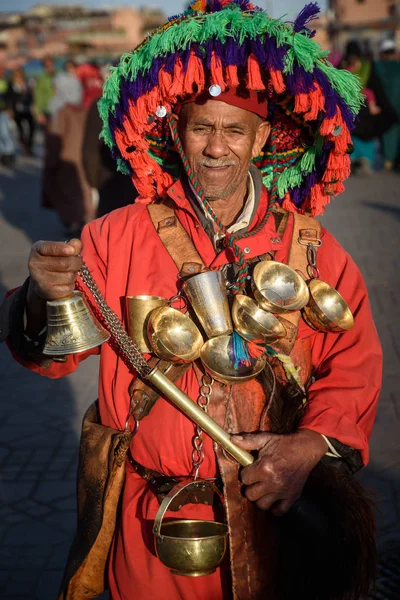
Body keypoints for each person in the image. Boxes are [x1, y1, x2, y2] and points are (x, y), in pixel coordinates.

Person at [0, 2, 382, 599]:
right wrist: (41, 297)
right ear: (177, 132)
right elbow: (53, 359)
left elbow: (353, 365)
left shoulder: (311, 247)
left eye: (234, 131)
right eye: (202, 127)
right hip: (151, 527)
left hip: (274, 520)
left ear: (262, 138)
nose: (215, 148)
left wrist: (309, 446)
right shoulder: (114, 235)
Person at [43, 61, 94, 236]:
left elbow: (55, 139)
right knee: (83, 191)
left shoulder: (61, 111)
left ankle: (74, 224)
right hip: (83, 156)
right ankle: (85, 220)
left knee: (68, 193)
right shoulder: (84, 109)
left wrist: (51, 159)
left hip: (66, 159)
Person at [341, 40, 397, 174]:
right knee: (350, 135)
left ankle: (366, 161)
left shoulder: (367, 67)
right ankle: (352, 161)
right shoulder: (342, 67)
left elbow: (373, 89)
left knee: (367, 134)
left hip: (365, 111)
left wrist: (373, 103)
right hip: (350, 110)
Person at [376, 40, 400, 171]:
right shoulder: (398, 67)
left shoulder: (377, 67)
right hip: (398, 105)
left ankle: (388, 160)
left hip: (384, 107)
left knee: (387, 134)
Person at [7, 67, 35, 155]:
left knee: (31, 128)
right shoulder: (11, 84)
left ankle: (29, 146)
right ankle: (24, 145)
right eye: (17, 73)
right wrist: (10, 109)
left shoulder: (27, 83)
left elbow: (31, 96)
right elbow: (9, 98)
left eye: (20, 73)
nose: (19, 75)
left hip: (27, 109)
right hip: (17, 110)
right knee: (20, 130)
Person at [0, 64, 16, 167]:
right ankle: (3, 154)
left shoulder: (7, 82)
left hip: (5, 111)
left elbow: (11, 97)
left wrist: (10, 109)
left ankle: (9, 154)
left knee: (6, 133)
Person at [33, 56, 56, 126]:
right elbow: (39, 96)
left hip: (59, 110)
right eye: (47, 66)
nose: (49, 67)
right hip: (47, 110)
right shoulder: (41, 79)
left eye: (50, 65)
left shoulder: (59, 76)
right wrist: (39, 113)